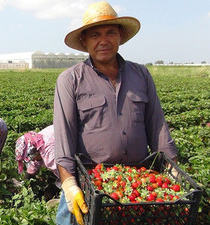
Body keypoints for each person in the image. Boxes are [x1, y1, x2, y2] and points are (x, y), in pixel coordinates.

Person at [53, 2, 178, 225]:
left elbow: (157, 126)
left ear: (120, 35)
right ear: (85, 41)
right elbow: (64, 139)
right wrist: (70, 185)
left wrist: (173, 170)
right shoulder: (70, 80)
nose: (103, 40)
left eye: (110, 32)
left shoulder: (141, 75)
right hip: (90, 181)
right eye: (95, 35)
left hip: (137, 183)